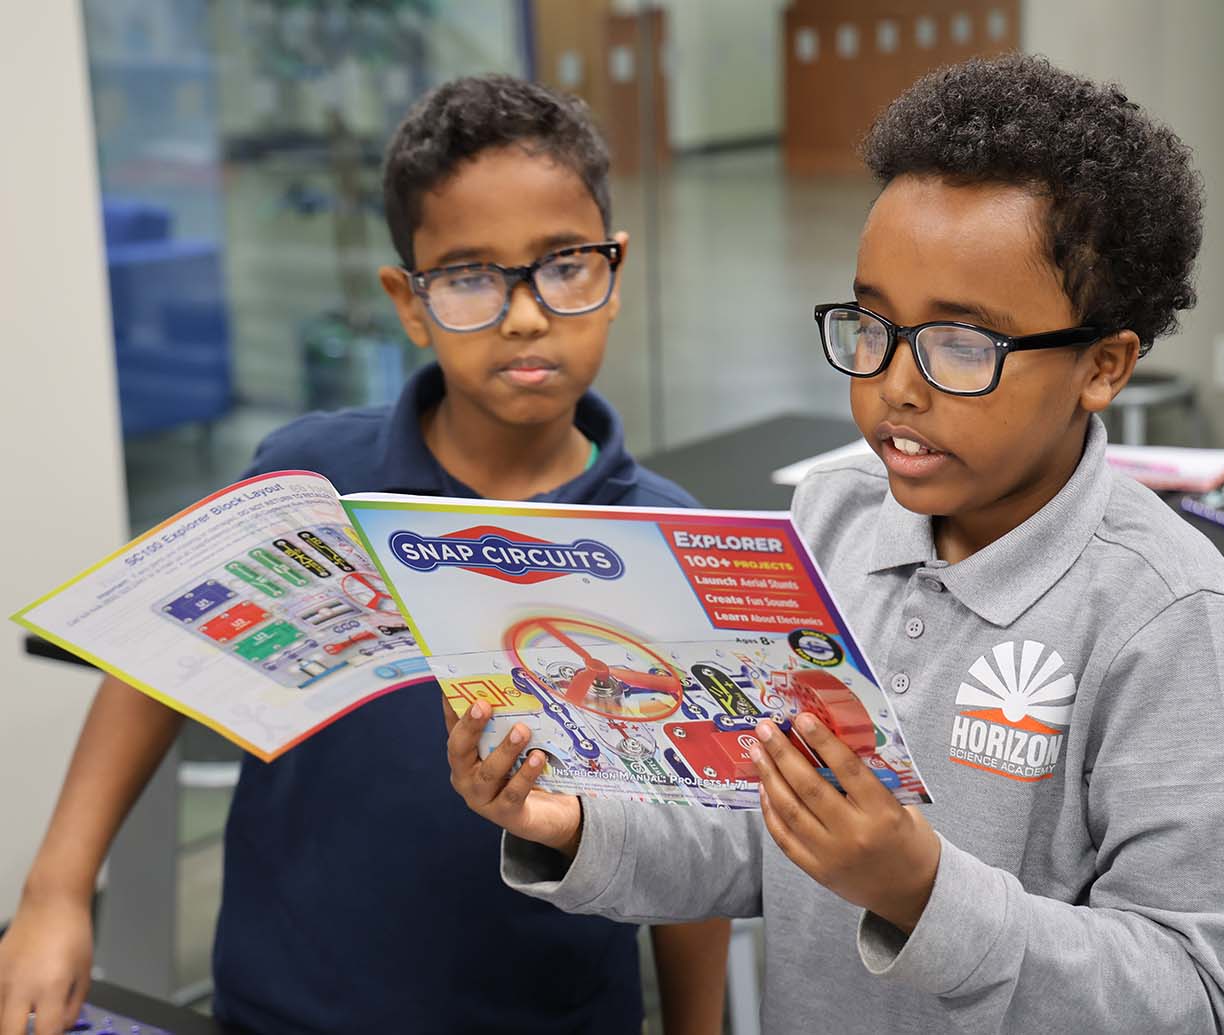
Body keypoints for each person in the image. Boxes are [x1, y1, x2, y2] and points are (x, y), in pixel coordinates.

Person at [446, 54, 1224, 1033]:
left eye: (962, 344)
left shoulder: (1179, 628)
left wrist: (922, 893)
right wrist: (580, 826)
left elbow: (1190, 994)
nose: (895, 384)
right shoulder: (829, 522)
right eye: (872, 323)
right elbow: (763, 836)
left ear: (1102, 365)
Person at [0, 75, 730, 1035]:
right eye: (470, 275)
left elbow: (700, 836)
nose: (522, 313)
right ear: (409, 300)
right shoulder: (307, 479)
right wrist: (56, 890)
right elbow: (153, 664)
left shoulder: (667, 543)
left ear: (613, 269)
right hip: (281, 1013)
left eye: (564, 264)